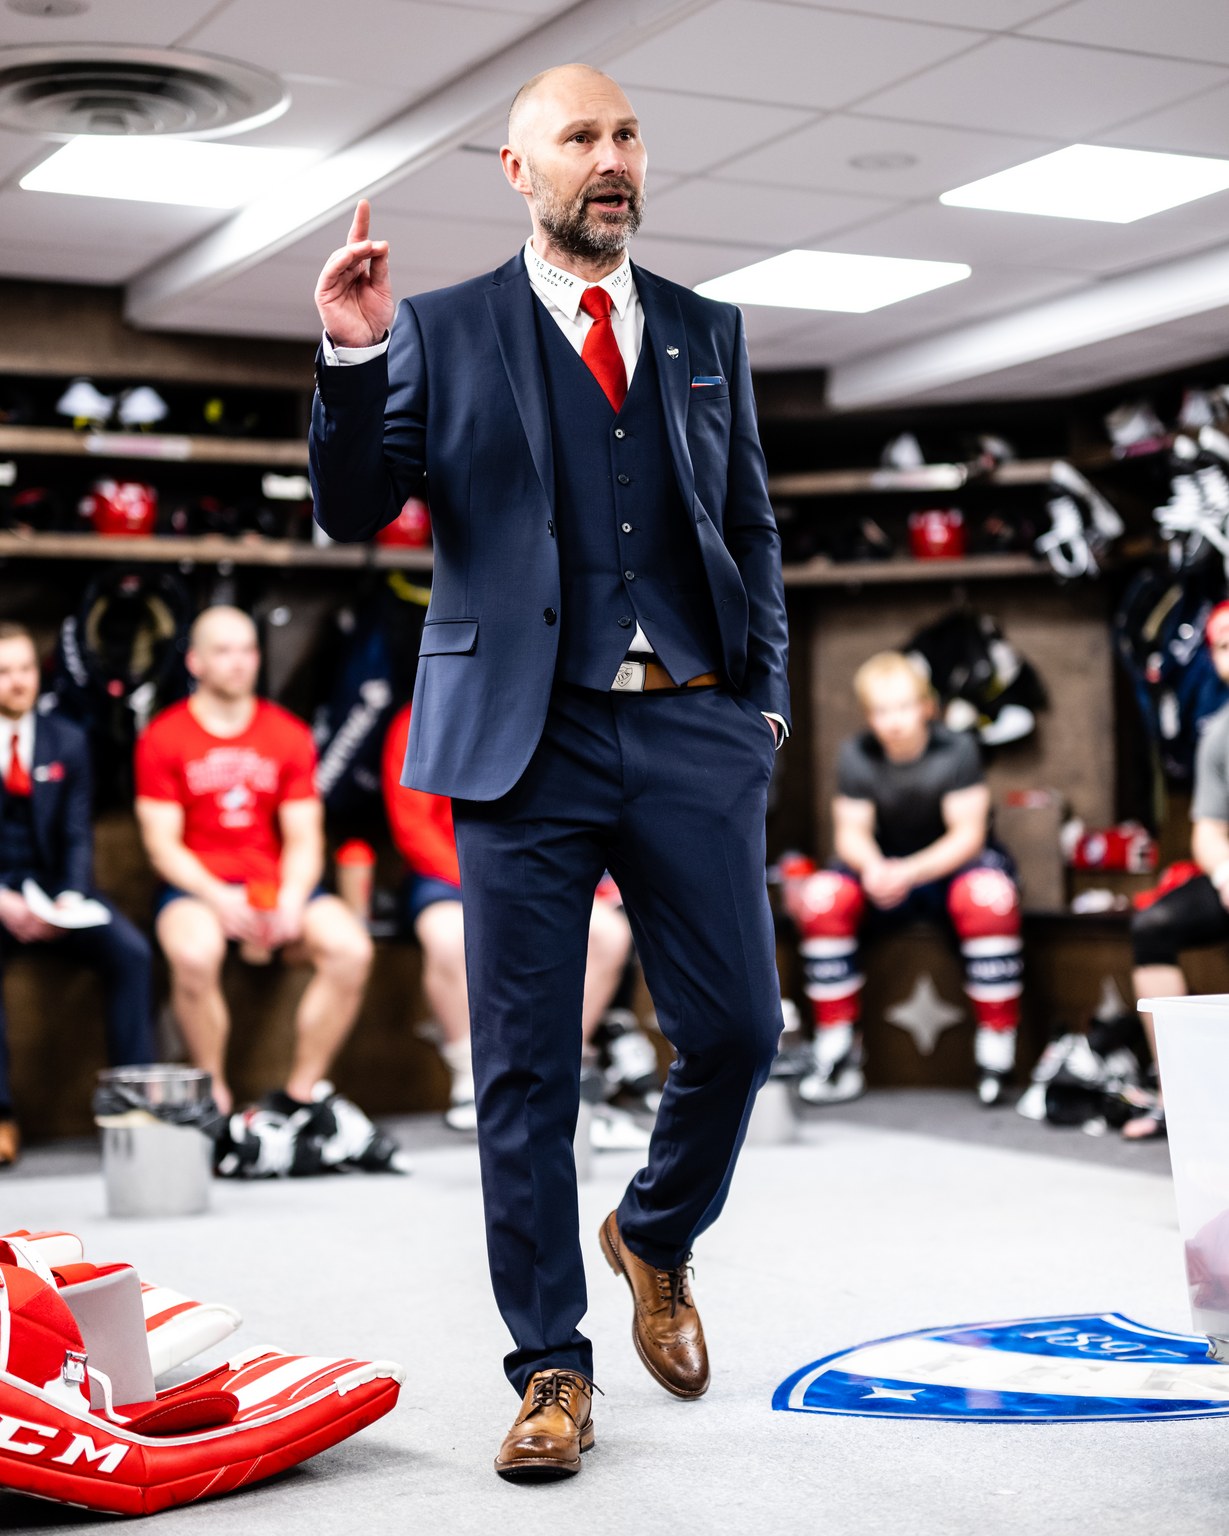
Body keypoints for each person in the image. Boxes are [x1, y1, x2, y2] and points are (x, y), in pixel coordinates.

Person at [310, 63, 789, 1478]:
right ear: (519, 171)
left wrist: (759, 710)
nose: (611, 156)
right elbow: (352, 509)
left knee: (740, 1029)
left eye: (626, 133)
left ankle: (653, 1230)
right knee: (525, 1070)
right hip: (522, 738)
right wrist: (351, 359)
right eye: (580, 137)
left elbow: (748, 524)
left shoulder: (705, 329)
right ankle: (551, 1371)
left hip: (691, 724)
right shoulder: (441, 327)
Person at [134, 606, 374, 1119]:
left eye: (247, 649)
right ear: (196, 662)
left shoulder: (287, 734)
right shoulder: (163, 736)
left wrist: (291, 898)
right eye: (224, 651)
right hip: (198, 888)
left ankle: (302, 1095)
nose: (239, 662)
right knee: (193, 953)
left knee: (351, 948)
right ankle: (213, 1093)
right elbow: (162, 845)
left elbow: (305, 837)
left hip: (276, 883)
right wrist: (219, 898)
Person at [381, 702, 649, 1147]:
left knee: (608, 934)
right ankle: (471, 1079)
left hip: (533, 866)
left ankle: (561, 1070)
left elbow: (568, 806)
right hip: (447, 873)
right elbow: (413, 825)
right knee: (447, 936)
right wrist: (485, 882)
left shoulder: (538, 706)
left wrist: (592, 877)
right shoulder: (418, 716)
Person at [786, 651, 1023, 1108]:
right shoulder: (856, 753)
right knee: (821, 897)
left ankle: (997, 1049)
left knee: (990, 896)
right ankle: (839, 1048)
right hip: (881, 872)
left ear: (926, 707)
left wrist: (908, 871)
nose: (893, 721)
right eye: (880, 710)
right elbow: (851, 833)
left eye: (902, 707)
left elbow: (967, 836)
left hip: (948, 872)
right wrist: (875, 867)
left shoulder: (957, 749)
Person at [0, 621, 154, 1168]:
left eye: (25, 668)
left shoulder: (66, 738)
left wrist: (69, 897)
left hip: (56, 889)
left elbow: (76, 833)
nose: (18, 681)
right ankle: (2, 1116)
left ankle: (135, 1106)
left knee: (132, 953)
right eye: (4, 672)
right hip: (0, 896)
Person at [1127, 600, 1229, 1141]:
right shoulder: (1219, 735)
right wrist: (1225, 873)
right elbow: (1208, 832)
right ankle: (1179, 1096)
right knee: (1153, 926)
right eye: (1225, 646)